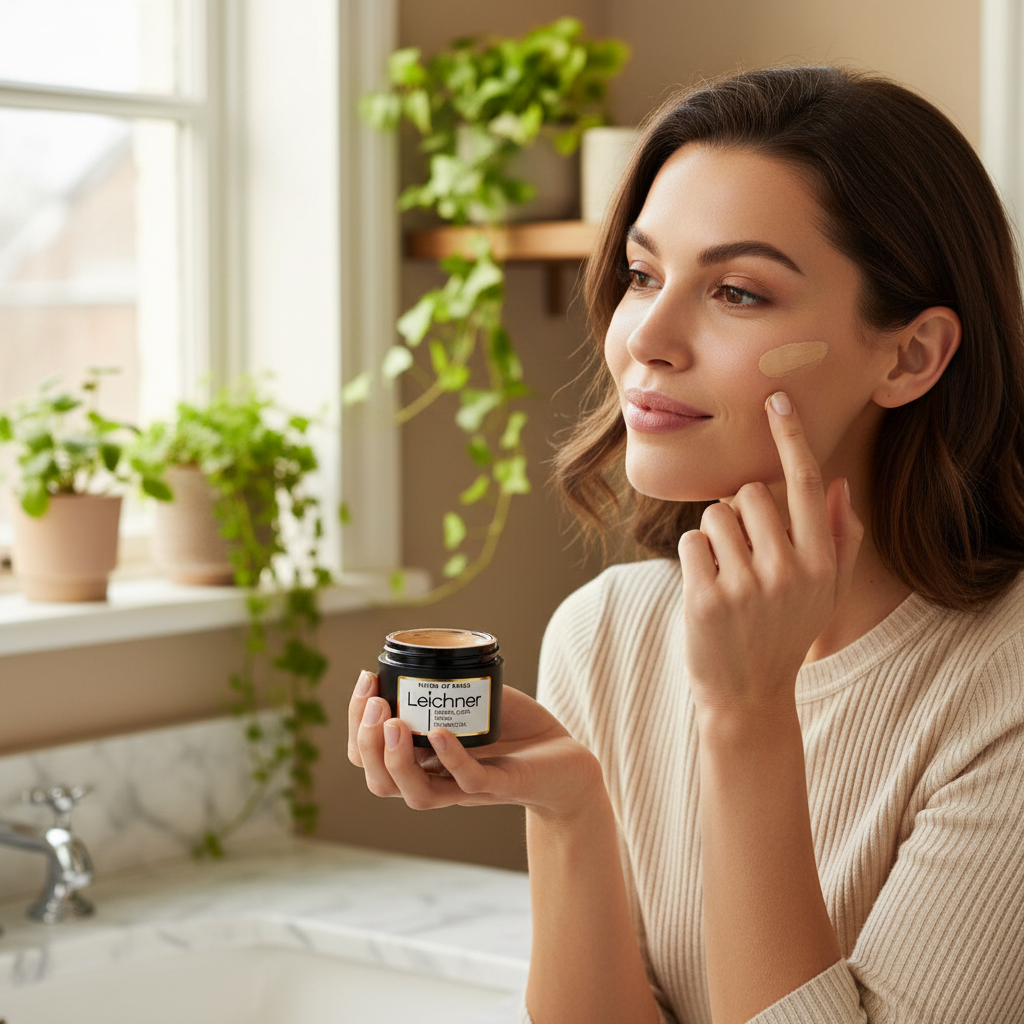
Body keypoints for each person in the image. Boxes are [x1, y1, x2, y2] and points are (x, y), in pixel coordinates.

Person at [348, 65, 1024, 1023]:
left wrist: (748, 716)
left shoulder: (1004, 691)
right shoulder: (604, 632)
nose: (647, 339)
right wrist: (572, 811)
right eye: (642, 275)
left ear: (910, 355)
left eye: (737, 292)